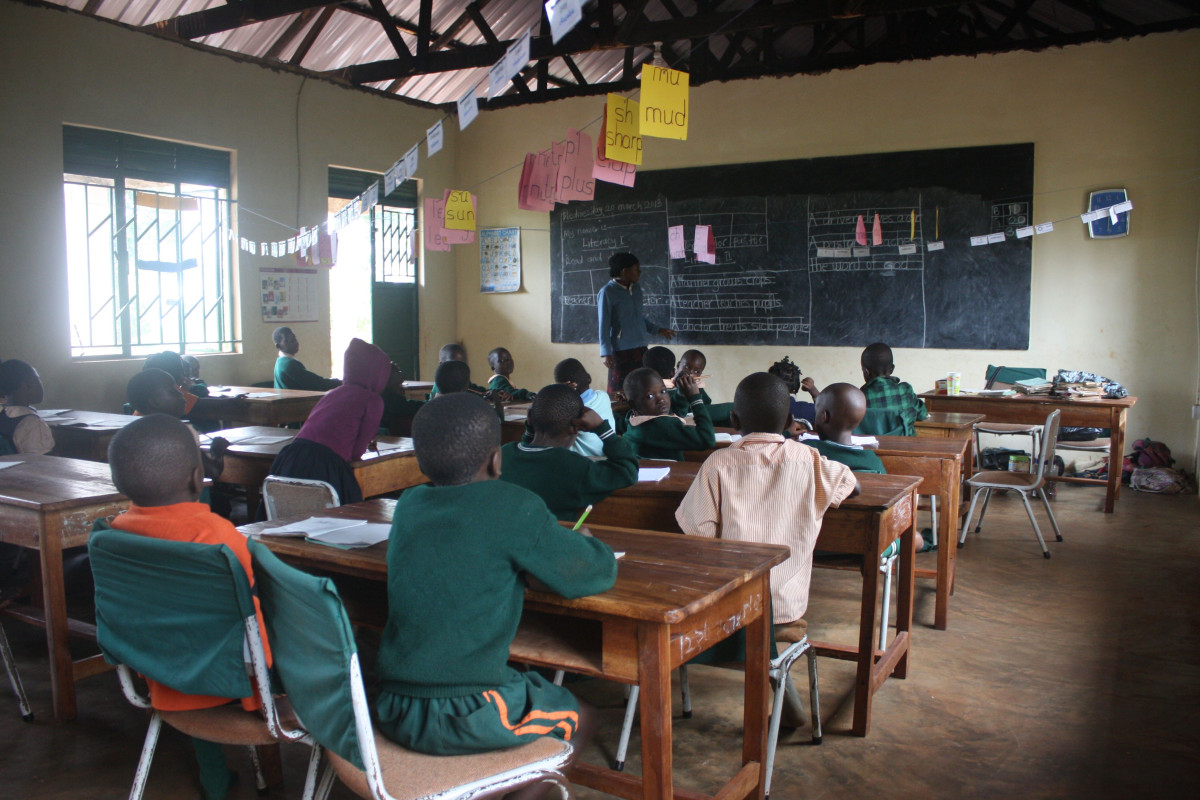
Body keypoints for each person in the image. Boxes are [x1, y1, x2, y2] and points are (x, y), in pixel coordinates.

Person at [375, 393, 617, 772]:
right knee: (582, 718)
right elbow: (592, 573)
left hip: (392, 704)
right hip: (469, 709)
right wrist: (588, 545)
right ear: (496, 457)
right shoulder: (513, 504)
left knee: (525, 688)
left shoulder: (409, 505)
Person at [99, 414, 271, 800]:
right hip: (231, 678)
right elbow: (248, 618)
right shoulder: (218, 537)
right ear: (198, 478)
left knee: (194, 636)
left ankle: (215, 780)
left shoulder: (114, 534)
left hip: (161, 671)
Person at [676, 372, 859, 637]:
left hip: (732, 604)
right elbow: (853, 485)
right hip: (785, 606)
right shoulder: (807, 458)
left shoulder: (717, 463)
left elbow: (697, 532)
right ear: (788, 421)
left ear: (734, 419)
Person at [263, 338, 390, 513]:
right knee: (348, 515)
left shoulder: (332, 393)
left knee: (287, 517)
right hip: (325, 467)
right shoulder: (372, 400)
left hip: (290, 458)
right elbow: (356, 453)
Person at [806, 383, 926, 553]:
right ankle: (925, 542)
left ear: (824, 416)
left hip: (812, 542)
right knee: (913, 538)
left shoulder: (806, 453)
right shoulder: (873, 463)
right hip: (866, 545)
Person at [499, 384, 639, 520]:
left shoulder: (503, 455)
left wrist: (530, 429)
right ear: (575, 426)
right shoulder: (573, 467)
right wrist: (603, 429)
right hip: (551, 541)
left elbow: (528, 448)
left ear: (530, 417)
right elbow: (627, 471)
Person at [126, 369, 231, 510]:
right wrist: (217, 451)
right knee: (222, 505)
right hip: (188, 510)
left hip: (146, 508)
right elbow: (213, 471)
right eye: (173, 392)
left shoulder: (130, 431)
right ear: (154, 402)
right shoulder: (179, 433)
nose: (182, 395)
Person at [597, 252, 675, 395]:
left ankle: (642, 416)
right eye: (636, 269)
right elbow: (604, 325)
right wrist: (605, 353)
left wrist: (657, 330)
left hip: (640, 348)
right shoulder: (607, 292)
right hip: (621, 350)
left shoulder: (637, 289)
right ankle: (620, 416)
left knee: (643, 387)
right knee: (621, 390)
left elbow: (638, 318)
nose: (639, 272)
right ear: (624, 271)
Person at [621, 366, 716, 461]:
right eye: (650, 396)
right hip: (673, 474)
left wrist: (682, 393)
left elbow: (677, 412)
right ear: (633, 404)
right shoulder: (660, 425)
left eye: (663, 391)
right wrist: (695, 399)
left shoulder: (634, 419)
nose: (661, 400)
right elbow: (707, 439)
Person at [860, 342, 927, 436]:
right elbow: (923, 414)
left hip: (872, 449)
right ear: (892, 369)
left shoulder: (859, 398)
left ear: (866, 372)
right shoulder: (905, 390)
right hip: (905, 449)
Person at [553, 357, 615, 458]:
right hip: (607, 458)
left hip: (582, 462)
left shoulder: (568, 411)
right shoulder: (603, 396)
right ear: (589, 378)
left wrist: (560, 390)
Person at [0, 359, 54, 455]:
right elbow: (39, 462)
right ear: (25, 385)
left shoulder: (3, 414)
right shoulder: (31, 422)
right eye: (38, 379)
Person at [670, 348, 733, 425]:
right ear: (678, 365)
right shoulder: (669, 386)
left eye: (696, 372)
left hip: (695, 415)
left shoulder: (697, 386)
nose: (690, 373)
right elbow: (677, 411)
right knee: (731, 409)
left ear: (700, 375)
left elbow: (706, 404)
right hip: (683, 418)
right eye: (687, 367)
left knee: (732, 410)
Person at [272, 326, 341, 391]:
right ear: (279, 346)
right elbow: (316, 384)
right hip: (295, 403)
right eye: (288, 340)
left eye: (294, 338)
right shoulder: (290, 364)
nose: (295, 342)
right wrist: (341, 382)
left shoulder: (280, 361)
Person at [143, 351, 202, 416]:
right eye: (183, 370)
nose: (185, 375)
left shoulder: (145, 394)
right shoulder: (173, 397)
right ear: (176, 374)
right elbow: (206, 406)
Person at [768, 355, 819, 430]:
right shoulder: (810, 410)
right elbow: (828, 413)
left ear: (770, 387)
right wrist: (813, 391)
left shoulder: (761, 410)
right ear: (797, 386)